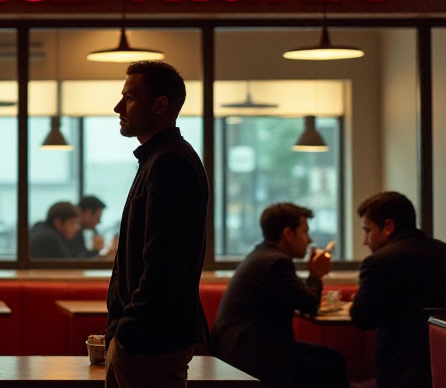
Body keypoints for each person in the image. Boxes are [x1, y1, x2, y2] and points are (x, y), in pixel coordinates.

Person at [105, 61, 209, 388]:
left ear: (160, 104)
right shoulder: (158, 158)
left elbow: (164, 265)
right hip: (142, 339)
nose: (118, 106)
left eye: (130, 98)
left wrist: (127, 333)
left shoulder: (170, 162)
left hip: (151, 342)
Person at [210, 203, 346, 388]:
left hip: (245, 347)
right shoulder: (276, 263)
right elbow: (310, 304)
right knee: (331, 365)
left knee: (332, 359)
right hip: (252, 355)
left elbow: (300, 298)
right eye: (305, 232)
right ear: (288, 234)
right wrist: (316, 275)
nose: (309, 240)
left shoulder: (263, 254)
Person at [350, 191, 446, 388]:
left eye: (367, 231)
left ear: (388, 226)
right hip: (441, 363)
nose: (365, 240)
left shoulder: (379, 262)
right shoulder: (443, 252)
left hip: (399, 367)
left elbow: (362, 318)